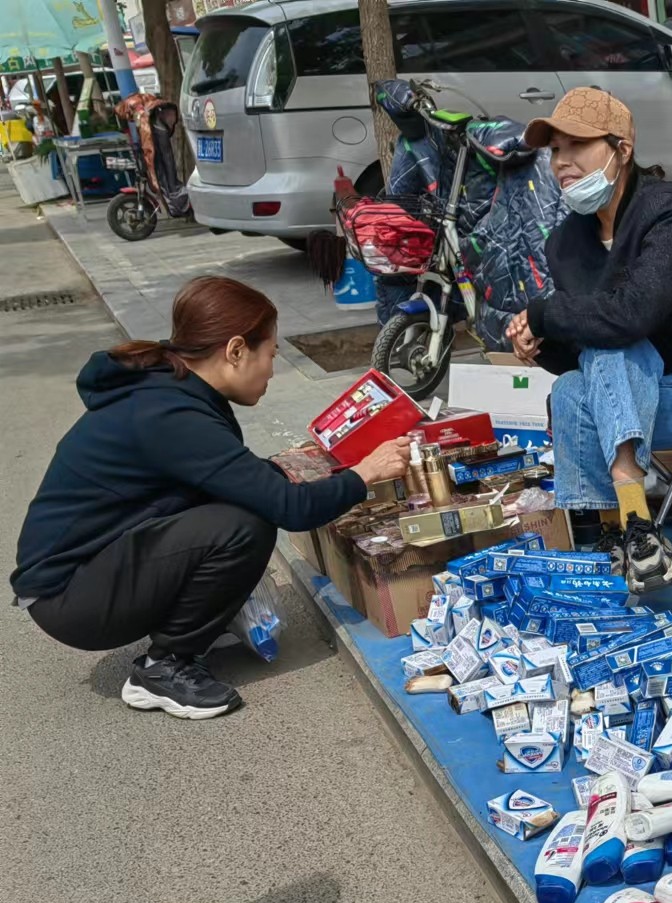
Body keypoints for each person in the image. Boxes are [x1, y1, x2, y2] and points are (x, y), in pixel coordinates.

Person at [12, 276, 410, 721]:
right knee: (246, 525)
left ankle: (191, 626)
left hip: (94, 567)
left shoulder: (174, 389)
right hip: (71, 598)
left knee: (243, 502)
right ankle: (163, 667)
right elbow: (291, 510)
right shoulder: (171, 414)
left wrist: (289, 470)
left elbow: (224, 472)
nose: (272, 371)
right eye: (271, 355)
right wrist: (364, 473)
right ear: (236, 350)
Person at [507, 87, 672, 591]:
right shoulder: (566, 242)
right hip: (630, 397)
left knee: (615, 342)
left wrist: (545, 313)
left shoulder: (667, 212)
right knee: (570, 389)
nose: (562, 162)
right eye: (555, 150)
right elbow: (577, 355)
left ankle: (636, 522)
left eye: (578, 145)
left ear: (622, 149)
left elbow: (628, 318)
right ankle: (611, 539)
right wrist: (538, 343)